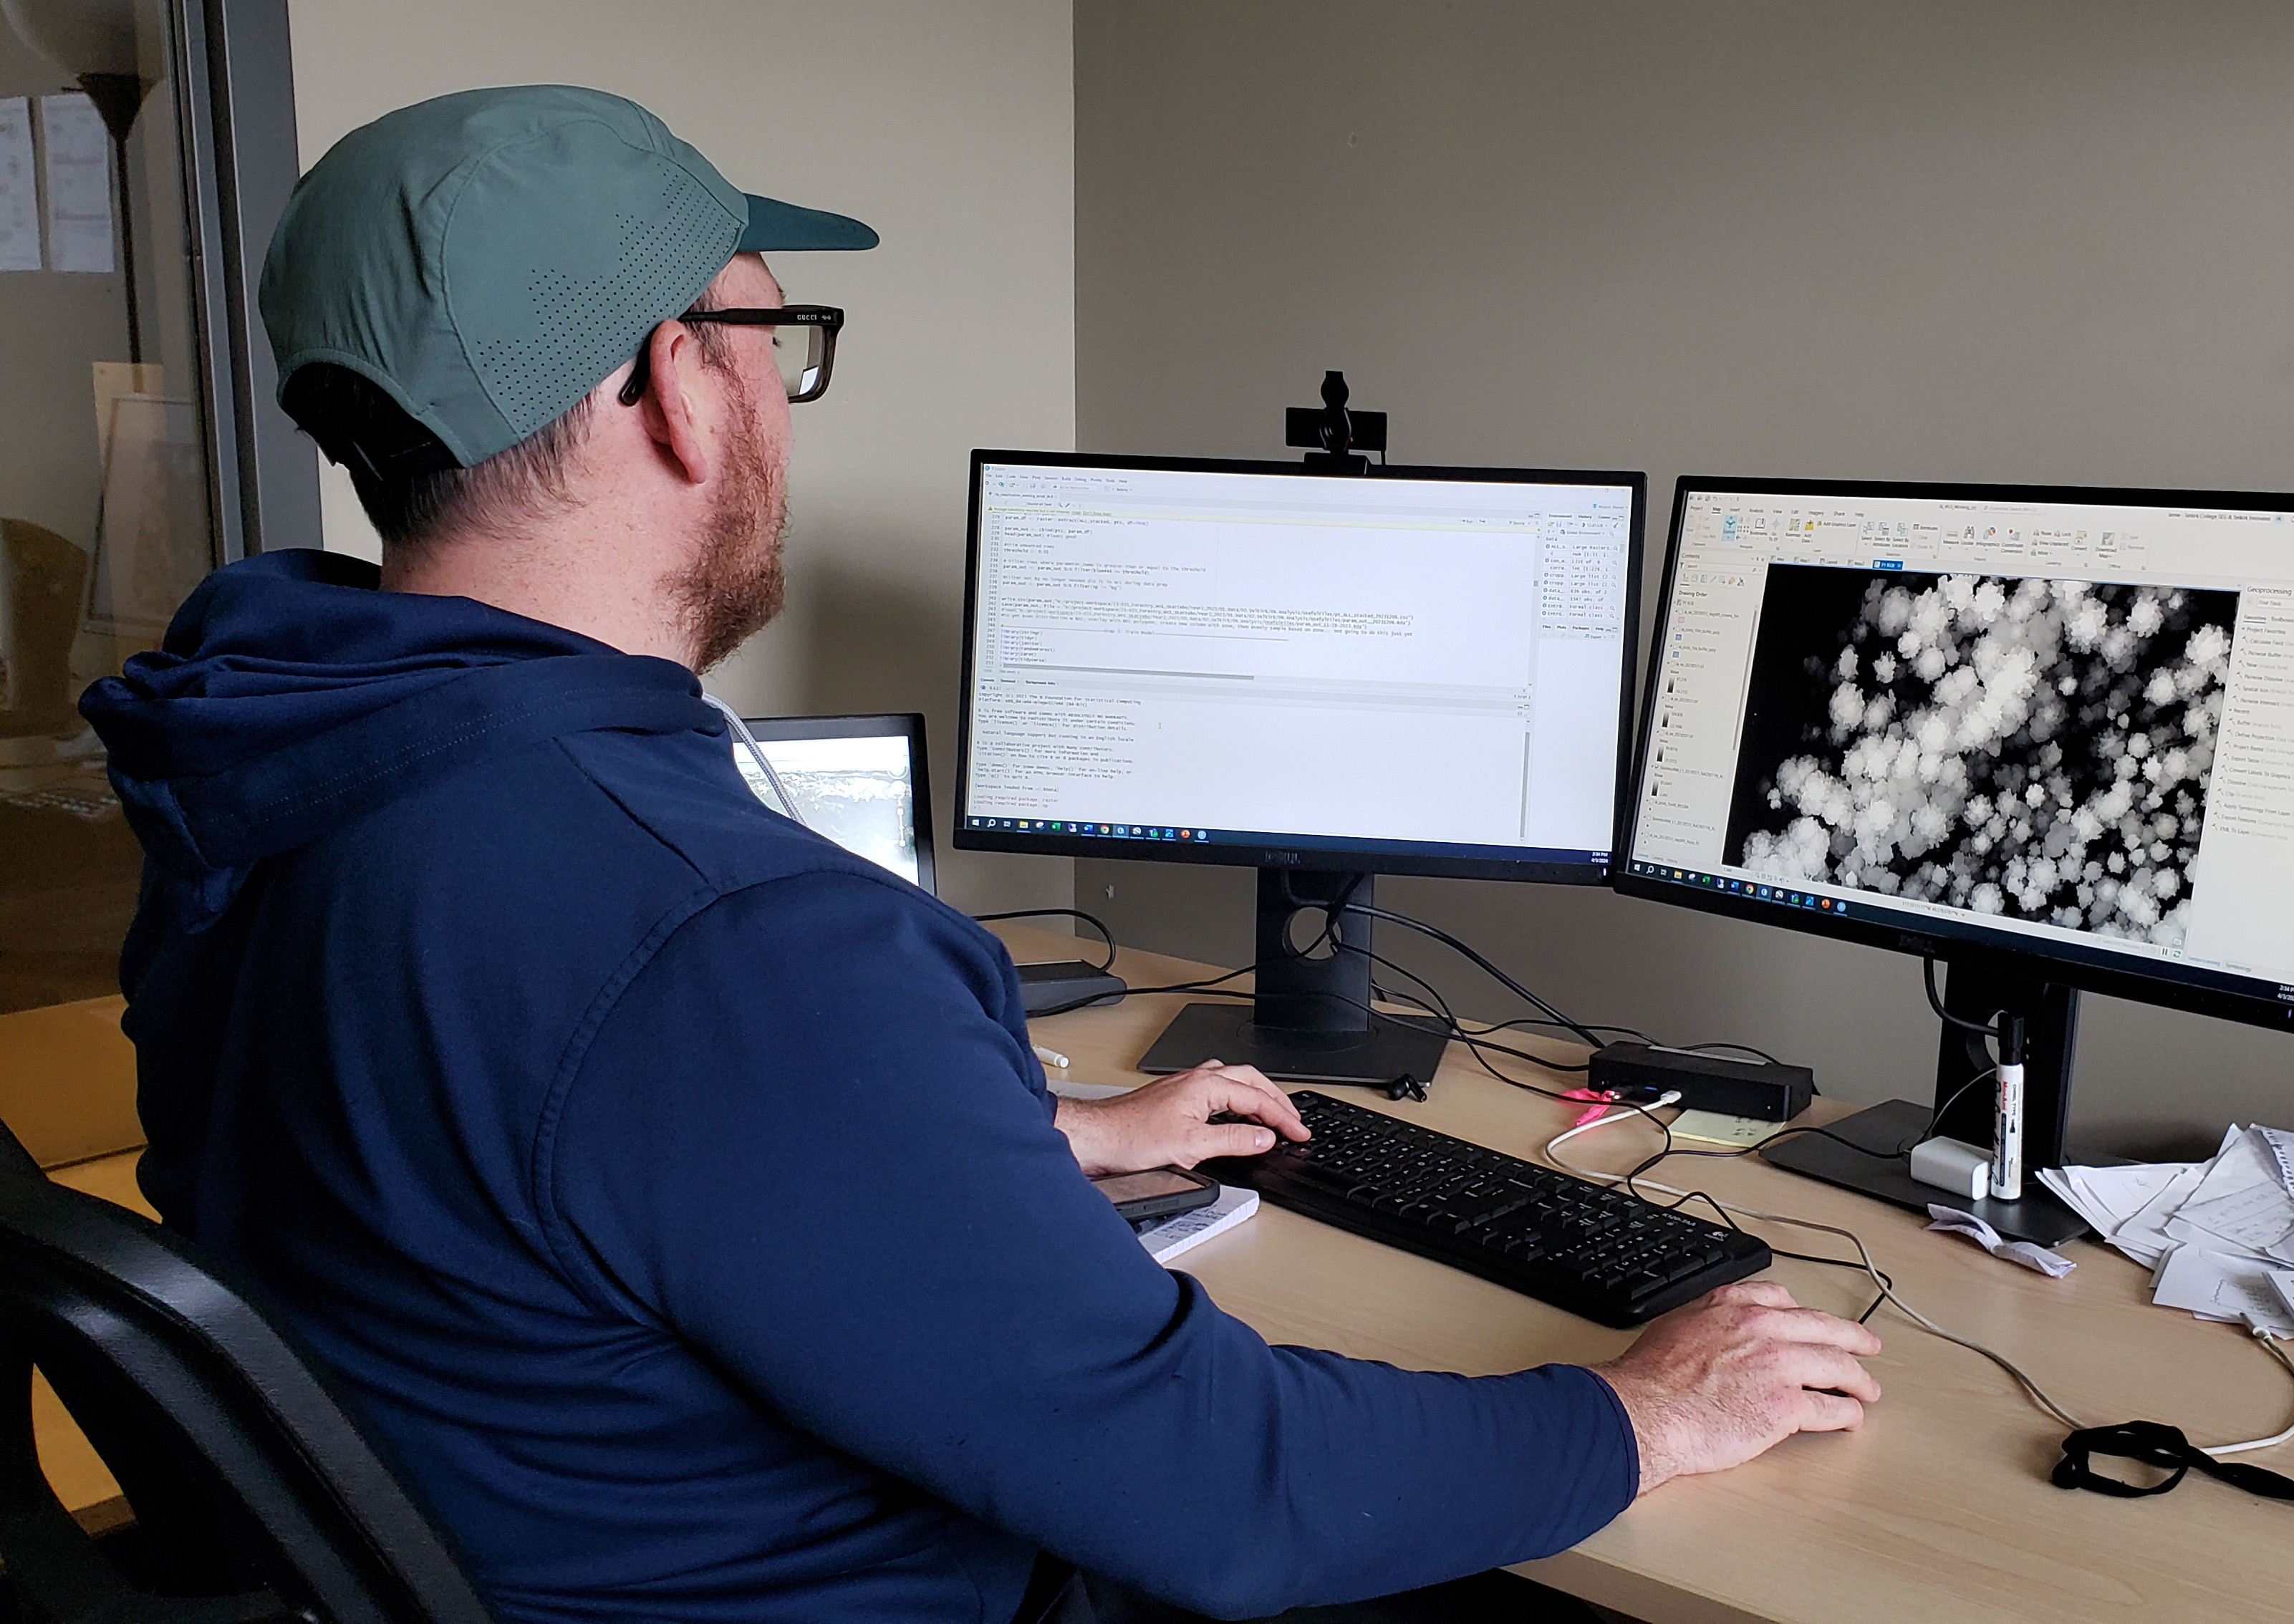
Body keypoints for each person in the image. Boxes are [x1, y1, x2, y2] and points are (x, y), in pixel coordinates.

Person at [82, 86, 1882, 1623]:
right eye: (778, 343)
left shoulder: (271, 757)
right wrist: (1644, 1416)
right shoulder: (731, 934)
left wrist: (1007, 1137)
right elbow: (1228, 1492)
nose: (784, 401)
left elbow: (527, 1158)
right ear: (677, 389)